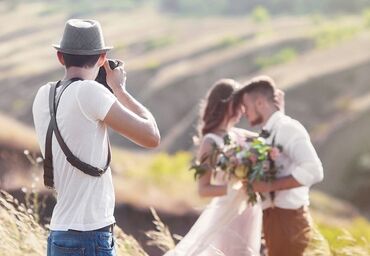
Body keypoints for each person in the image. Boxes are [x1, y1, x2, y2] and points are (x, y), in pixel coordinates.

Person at [32, 19, 160, 255]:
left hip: (59, 232)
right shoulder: (91, 93)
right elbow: (151, 137)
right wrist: (119, 89)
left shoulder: (44, 95)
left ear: (60, 57)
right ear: (102, 59)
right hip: (90, 234)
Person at [165, 79, 284, 256]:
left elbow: (270, 141)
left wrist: (278, 111)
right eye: (238, 105)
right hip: (227, 214)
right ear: (226, 105)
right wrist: (236, 187)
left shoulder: (239, 135)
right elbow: (203, 189)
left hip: (249, 211)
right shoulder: (210, 142)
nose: (242, 110)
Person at [233, 76, 324, 256]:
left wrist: (268, 186)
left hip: (288, 220)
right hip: (275, 219)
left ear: (260, 103)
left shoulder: (288, 128)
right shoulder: (270, 132)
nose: (244, 112)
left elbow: (314, 171)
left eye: (246, 106)